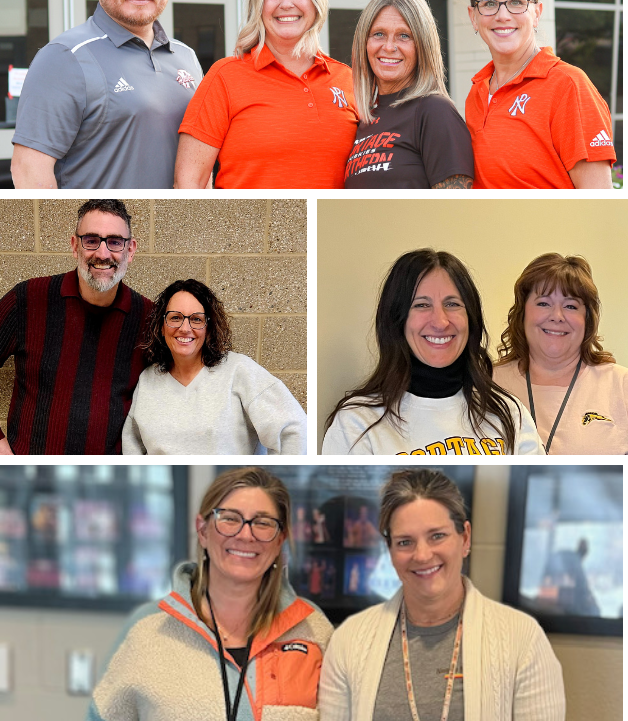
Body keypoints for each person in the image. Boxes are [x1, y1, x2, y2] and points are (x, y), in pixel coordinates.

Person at [86, 467, 333, 721]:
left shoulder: (313, 630)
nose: (246, 535)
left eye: (262, 523)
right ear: (203, 531)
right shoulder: (147, 628)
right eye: (230, 519)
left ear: (280, 540)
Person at [318, 468, 564, 721]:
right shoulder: (349, 641)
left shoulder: (522, 639)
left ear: (465, 538)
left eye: (437, 536)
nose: (422, 555)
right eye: (405, 542)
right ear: (389, 550)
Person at [11, 0, 202, 189]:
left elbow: (200, 162)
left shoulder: (186, 57)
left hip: (176, 227)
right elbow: (28, 171)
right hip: (103, 230)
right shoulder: (64, 56)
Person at [322, 249, 542, 455]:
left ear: (471, 318)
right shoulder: (356, 423)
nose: (441, 321)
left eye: (453, 304)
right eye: (421, 305)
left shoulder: (509, 414)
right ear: (397, 319)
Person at [175, 0, 357, 188]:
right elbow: (189, 183)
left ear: (315, 0)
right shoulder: (225, 77)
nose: (286, 3)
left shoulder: (348, 80)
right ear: (258, 5)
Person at [0, 199, 151, 455]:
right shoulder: (27, 299)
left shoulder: (148, 318)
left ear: (131, 250)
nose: (103, 254)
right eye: (91, 240)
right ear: (74, 246)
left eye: (115, 242)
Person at [465, 0, 616, 189]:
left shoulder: (568, 85)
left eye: (516, 2)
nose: (502, 15)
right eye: (489, 4)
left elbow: (599, 204)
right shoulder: (477, 91)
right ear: (473, 17)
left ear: (537, 12)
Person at [493, 253, 628, 454]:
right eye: (543, 303)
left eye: (570, 306)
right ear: (522, 313)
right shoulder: (486, 385)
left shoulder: (627, 389)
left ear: (588, 319)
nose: (557, 316)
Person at [122, 279, 306, 454]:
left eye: (196, 319)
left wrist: (275, 481)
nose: (185, 328)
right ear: (162, 326)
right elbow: (132, 449)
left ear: (208, 328)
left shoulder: (239, 371)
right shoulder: (148, 380)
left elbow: (294, 429)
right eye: (175, 317)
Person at [344, 0, 474, 188]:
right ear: (364, 43)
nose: (388, 47)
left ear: (422, 46)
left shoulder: (434, 111)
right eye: (379, 34)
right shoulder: (365, 119)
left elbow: (457, 212)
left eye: (404, 36)